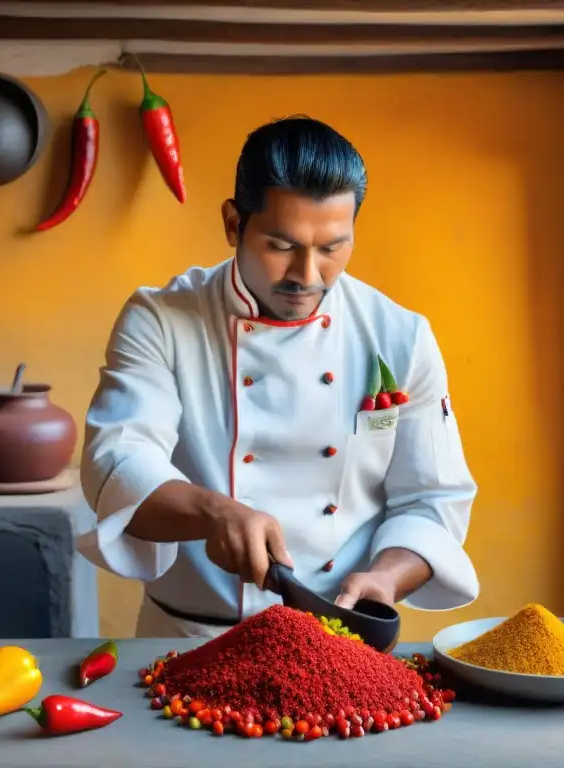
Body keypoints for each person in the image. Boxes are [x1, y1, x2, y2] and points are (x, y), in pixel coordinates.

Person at [76, 115, 479, 639]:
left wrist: (386, 578)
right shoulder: (162, 320)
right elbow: (118, 462)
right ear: (232, 223)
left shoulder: (400, 336)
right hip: (187, 641)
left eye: (332, 248)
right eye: (282, 246)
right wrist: (214, 512)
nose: (307, 276)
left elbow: (433, 499)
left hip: (339, 641)